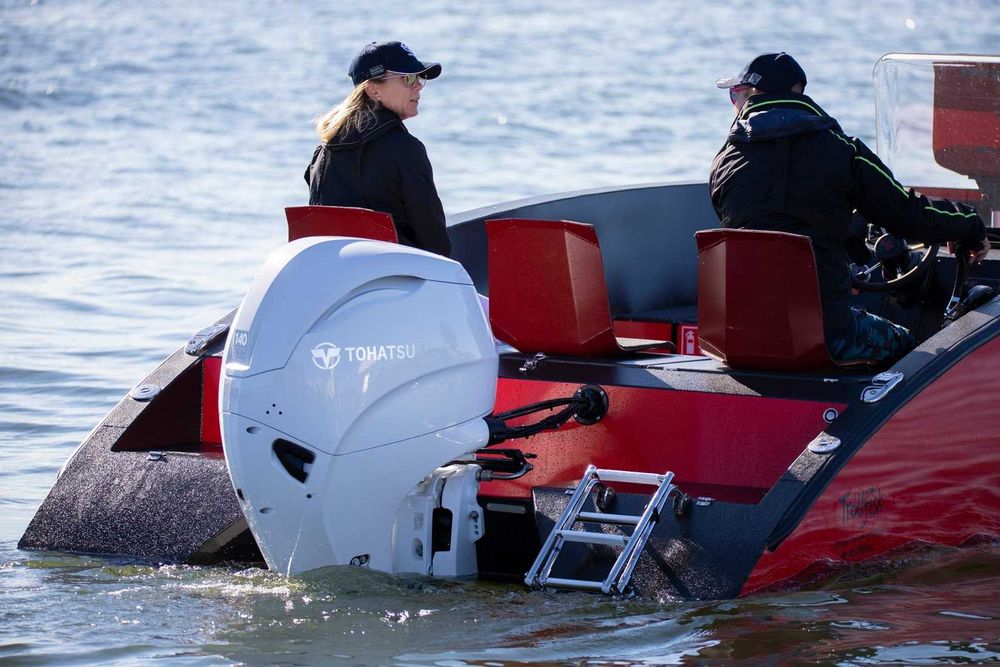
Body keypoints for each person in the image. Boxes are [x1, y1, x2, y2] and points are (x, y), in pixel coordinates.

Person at [709, 52, 989, 363]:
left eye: (738, 96)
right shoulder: (843, 151)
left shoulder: (724, 163)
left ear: (757, 96)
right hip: (826, 336)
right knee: (911, 351)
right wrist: (970, 224)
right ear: (798, 93)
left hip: (741, 337)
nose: (737, 106)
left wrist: (853, 255)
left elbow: (772, 222)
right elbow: (908, 214)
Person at [305, 41, 451, 257]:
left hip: (336, 278)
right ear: (374, 90)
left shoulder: (323, 152)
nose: (418, 86)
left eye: (419, 78)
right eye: (408, 78)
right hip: (396, 278)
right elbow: (435, 243)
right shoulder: (406, 150)